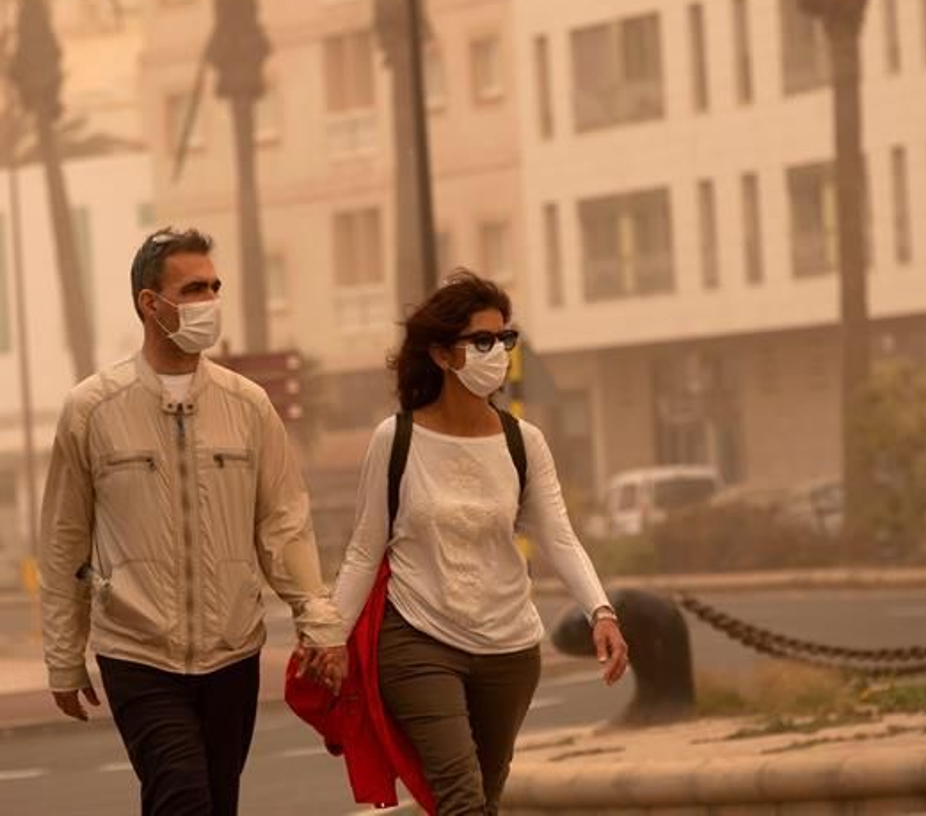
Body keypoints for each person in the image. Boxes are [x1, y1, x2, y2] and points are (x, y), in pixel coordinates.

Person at [39, 226, 347, 816]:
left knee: (215, 804)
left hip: (233, 652)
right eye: (193, 289)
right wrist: (63, 653)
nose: (209, 302)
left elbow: (284, 524)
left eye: (214, 287)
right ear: (149, 304)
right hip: (137, 651)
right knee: (183, 799)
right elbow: (63, 541)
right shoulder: (91, 410)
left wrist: (316, 617)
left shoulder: (249, 406)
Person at [331, 271, 629, 816]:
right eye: (482, 341)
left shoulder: (523, 441)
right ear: (444, 355)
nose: (498, 353)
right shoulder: (394, 439)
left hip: (508, 648)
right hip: (417, 639)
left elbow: (558, 534)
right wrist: (330, 635)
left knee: (482, 801)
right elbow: (363, 548)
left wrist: (600, 611)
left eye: (505, 339)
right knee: (461, 799)